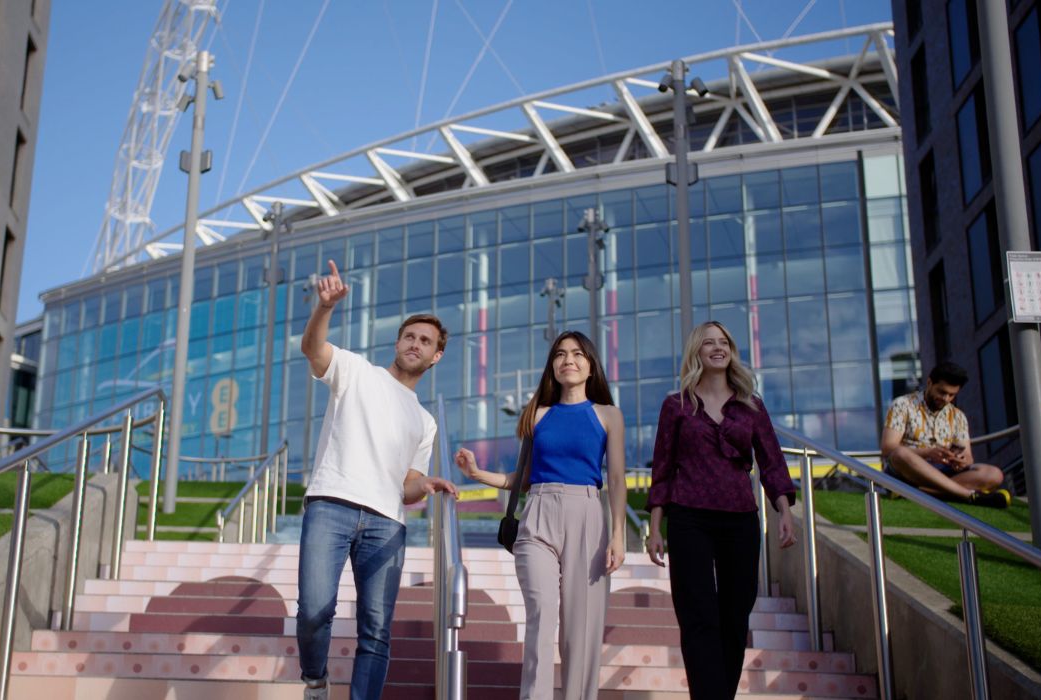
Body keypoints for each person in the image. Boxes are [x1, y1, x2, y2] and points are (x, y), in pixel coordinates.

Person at [296, 260, 459, 700]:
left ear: (435, 355)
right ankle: (315, 679)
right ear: (398, 341)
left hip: (387, 521)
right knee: (314, 610)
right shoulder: (355, 371)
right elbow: (313, 349)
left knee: (376, 630)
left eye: (425, 341)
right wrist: (323, 308)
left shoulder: (425, 422)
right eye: (409, 336)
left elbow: (406, 487)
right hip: (331, 503)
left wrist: (424, 485)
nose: (415, 343)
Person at [454, 330, 627, 700]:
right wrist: (477, 474)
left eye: (578, 354)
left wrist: (618, 535)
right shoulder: (538, 413)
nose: (568, 359)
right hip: (538, 517)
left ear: (591, 366)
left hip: (587, 514)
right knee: (542, 613)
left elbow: (614, 478)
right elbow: (526, 477)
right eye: (560, 354)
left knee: (580, 628)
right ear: (552, 366)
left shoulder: (609, 415)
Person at [645, 321, 798, 700]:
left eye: (724, 341)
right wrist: (655, 527)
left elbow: (772, 461)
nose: (718, 347)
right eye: (709, 342)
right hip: (688, 518)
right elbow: (662, 468)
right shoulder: (675, 405)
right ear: (697, 352)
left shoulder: (751, 405)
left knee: (734, 615)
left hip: (739, 519)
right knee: (698, 616)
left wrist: (784, 510)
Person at [881, 361, 1009, 508]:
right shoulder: (902, 405)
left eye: (952, 395)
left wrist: (961, 461)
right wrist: (927, 452)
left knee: (994, 474)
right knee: (900, 453)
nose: (946, 399)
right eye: (942, 392)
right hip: (909, 471)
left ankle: (919, 493)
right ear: (929, 383)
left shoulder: (958, 416)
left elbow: (968, 457)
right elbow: (888, 448)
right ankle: (968, 495)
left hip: (944, 471)